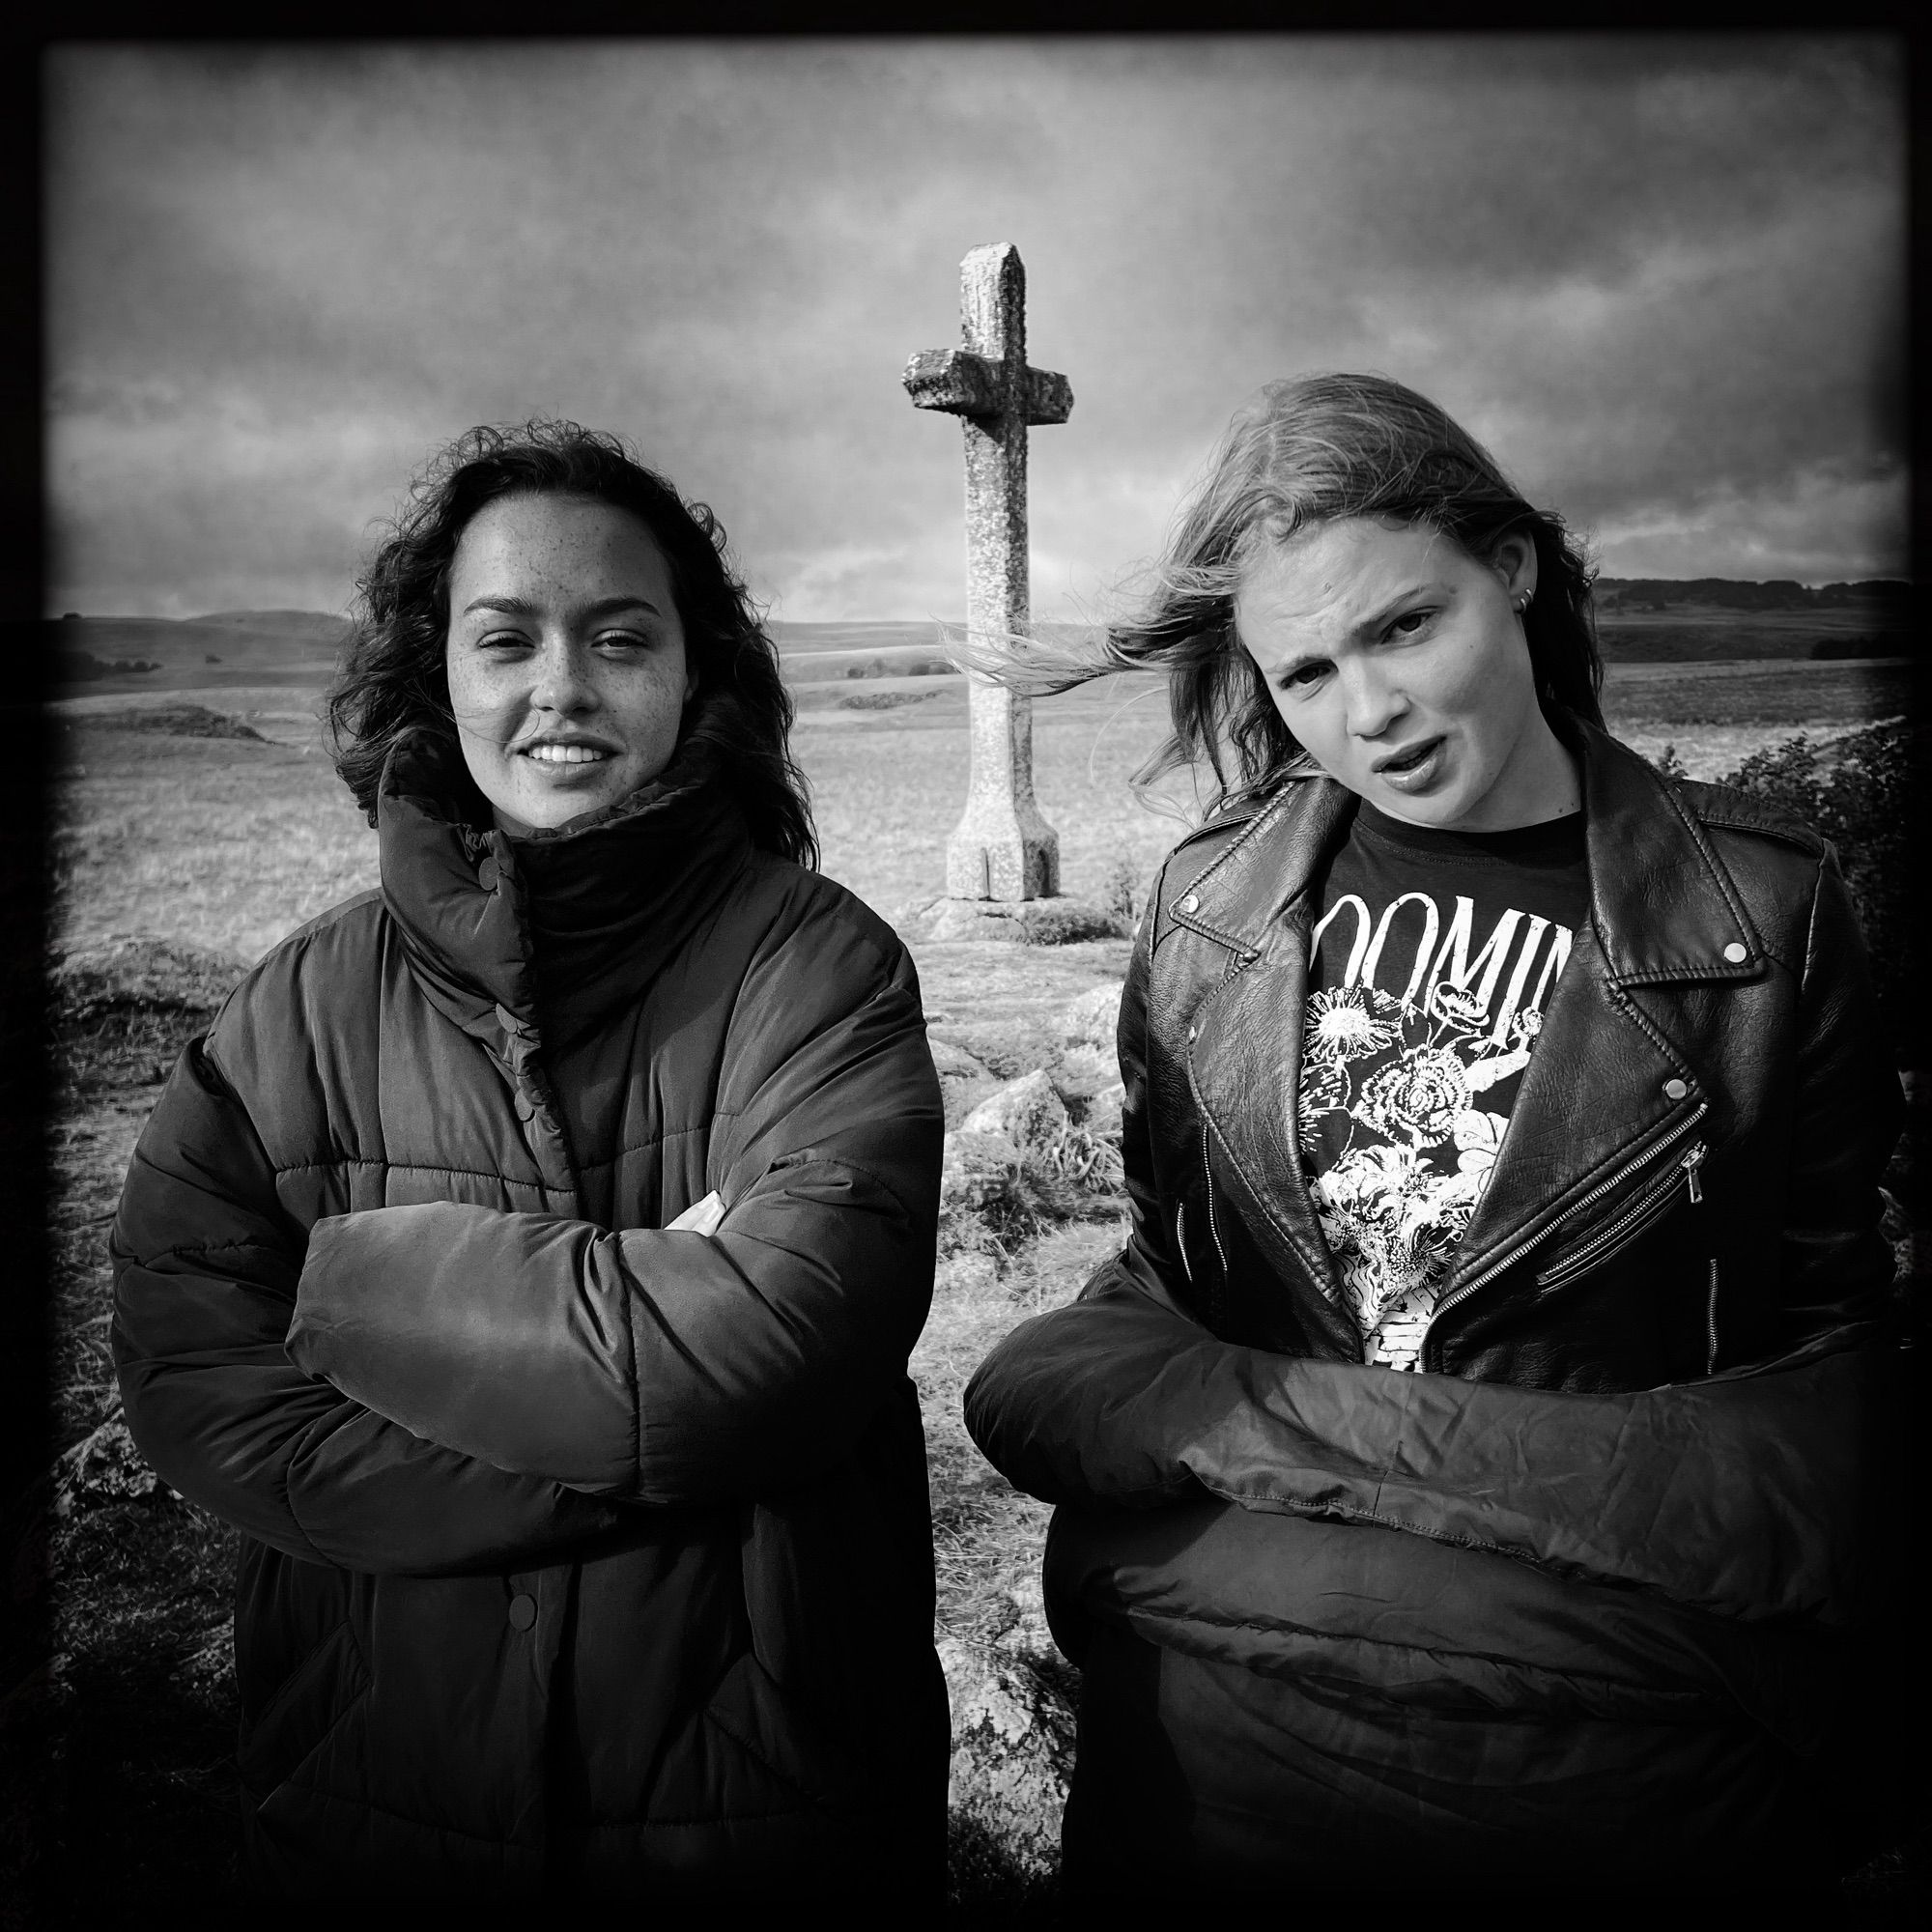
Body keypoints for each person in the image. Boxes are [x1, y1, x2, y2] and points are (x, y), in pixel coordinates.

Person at [964, 374, 1908, 1899]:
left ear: (1514, 569)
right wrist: (1565, 1481)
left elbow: (1822, 1397)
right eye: (1308, 673)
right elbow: (1162, 1279)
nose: (1372, 713)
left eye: (1406, 627)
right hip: (1217, 1754)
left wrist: (1261, 1433)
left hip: (1607, 1772)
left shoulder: (1763, 926)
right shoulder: (1216, 914)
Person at [111, 422, 949, 1901]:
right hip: (375, 1792)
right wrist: (651, 1419)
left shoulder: (817, 971)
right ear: (439, 669)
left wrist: (353, 1289)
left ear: (698, 669)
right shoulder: (295, 1010)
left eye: (620, 635)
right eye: (509, 637)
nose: (562, 686)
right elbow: (190, 1377)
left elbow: (778, 1348)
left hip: (760, 1802)